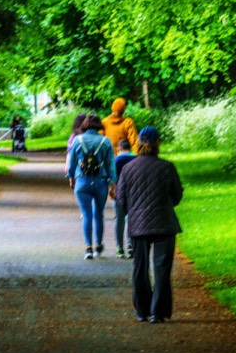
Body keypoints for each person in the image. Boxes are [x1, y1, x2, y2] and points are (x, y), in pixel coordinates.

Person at [115, 126, 183, 323]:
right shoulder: (167, 167)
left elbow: (121, 199)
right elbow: (177, 195)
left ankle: (141, 310)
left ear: (139, 143)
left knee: (140, 267)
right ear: (158, 143)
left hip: (137, 224)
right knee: (162, 268)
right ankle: (158, 312)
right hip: (164, 223)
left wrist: (133, 210)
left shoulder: (128, 169)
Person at [66, 114, 117, 260]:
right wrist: (112, 184)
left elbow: (71, 163)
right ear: (99, 126)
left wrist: (71, 178)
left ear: (85, 125)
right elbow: (111, 165)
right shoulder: (105, 141)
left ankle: (88, 248)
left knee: (86, 215)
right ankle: (98, 245)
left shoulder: (77, 140)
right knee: (99, 214)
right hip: (100, 183)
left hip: (82, 182)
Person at [113, 139, 136, 259]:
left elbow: (112, 178)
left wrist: (112, 190)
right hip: (133, 194)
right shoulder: (136, 160)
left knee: (119, 220)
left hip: (119, 194)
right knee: (131, 219)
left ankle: (119, 247)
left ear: (119, 148)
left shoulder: (116, 161)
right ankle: (131, 244)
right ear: (130, 148)